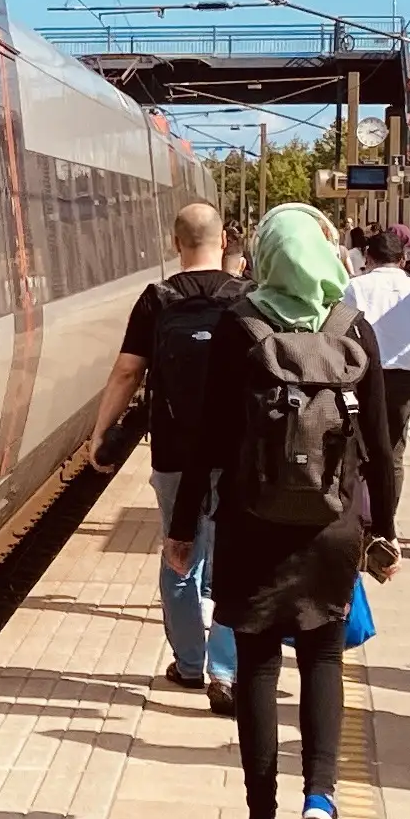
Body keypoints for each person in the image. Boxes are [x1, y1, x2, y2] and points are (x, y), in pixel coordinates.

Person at [162, 204, 403, 819]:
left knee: (259, 668)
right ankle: (322, 798)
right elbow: (381, 449)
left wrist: (183, 531)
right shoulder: (354, 328)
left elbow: (206, 441)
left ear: (265, 257)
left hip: (250, 521)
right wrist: (383, 532)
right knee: (324, 659)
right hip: (332, 528)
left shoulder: (241, 326)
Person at [94, 201, 247, 709]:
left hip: (175, 450)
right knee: (232, 556)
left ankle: (188, 664)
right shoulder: (247, 298)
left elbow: (126, 373)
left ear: (175, 243)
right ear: (223, 240)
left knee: (181, 552)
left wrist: (101, 433)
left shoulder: (157, 299)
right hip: (237, 450)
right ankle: (224, 671)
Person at [344, 222, 410, 469]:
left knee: (359, 450)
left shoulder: (354, 288)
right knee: (393, 455)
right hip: (401, 382)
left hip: (362, 379)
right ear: (402, 259)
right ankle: (387, 507)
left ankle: (362, 504)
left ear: (368, 258)